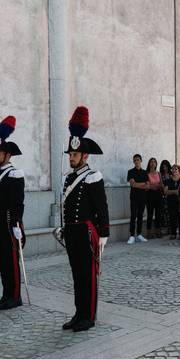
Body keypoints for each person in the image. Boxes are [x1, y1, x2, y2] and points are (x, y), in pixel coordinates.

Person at [58, 106, 109, 332]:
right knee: (76, 274)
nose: (72, 158)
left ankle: (88, 316)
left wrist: (104, 234)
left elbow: (102, 207)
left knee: (88, 274)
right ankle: (78, 313)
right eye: (70, 154)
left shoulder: (92, 177)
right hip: (72, 232)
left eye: (75, 155)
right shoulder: (68, 179)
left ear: (85, 156)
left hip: (87, 232)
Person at [0, 116, 25, 310]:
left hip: (9, 222)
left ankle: (15, 296)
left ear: (8, 155)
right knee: (2, 260)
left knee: (11, 260)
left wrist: (17, 224)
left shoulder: (14, 174)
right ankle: (5, 294)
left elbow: (18, 203)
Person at [126, 154, 147, 243]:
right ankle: (132, 235)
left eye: (138, 160)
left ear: (141, 161)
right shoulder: (130, 172)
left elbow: (148, 186)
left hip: (143, 197)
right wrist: (142, 184)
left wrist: (137, 184)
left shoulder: (145, 172)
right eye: (135, 160)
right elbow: (132, 184)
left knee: (140, 216)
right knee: (133, 216)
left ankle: (139, 234)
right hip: (134, 197)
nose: (136, 161)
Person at [164, 164, 180, 239]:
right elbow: (165, 191)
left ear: (179, 171)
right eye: (172, 169)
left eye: (175, 169)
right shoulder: (168, 180)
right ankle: (173, 233)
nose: (173, 171)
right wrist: (174, 192)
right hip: (171, 202)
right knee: (172, 218)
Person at [144, 157, 163, 239]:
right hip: (150, 195)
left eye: (154, 162)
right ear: (149, 164)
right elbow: (147, 186)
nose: (153, 163)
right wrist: (154, 186)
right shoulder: (146, 173)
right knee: (150, 214)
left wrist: (154, 186)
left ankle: (158, 231)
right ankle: (149, 232)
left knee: (158, 214)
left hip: (158, 194)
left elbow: (161, 184)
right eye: (151, 162)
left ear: (156, 164)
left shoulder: (159, 173)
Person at [158, 159, 172, 235]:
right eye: (163, 166)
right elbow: (160, 184)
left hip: (170, 195)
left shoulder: (171, 174)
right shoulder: (160, 174)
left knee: (170, 212)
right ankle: (165, 228)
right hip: (163, 195)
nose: (164, 168)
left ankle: (171, 228)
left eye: (166, 166)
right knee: (164, 212)